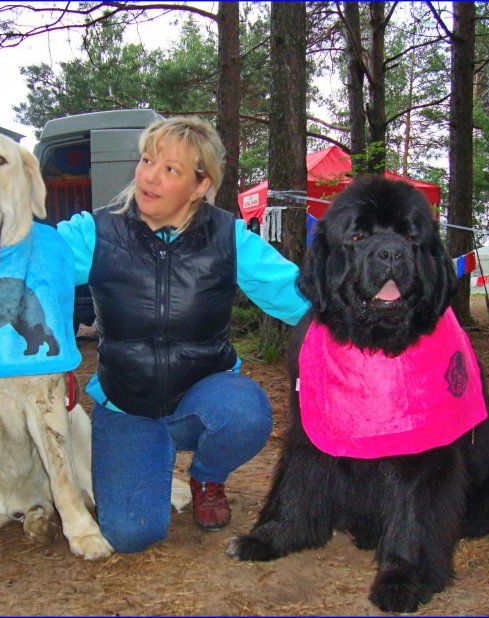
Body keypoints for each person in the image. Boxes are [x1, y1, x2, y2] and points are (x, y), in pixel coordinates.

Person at [58, 116, 310, 554]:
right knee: (132, 535)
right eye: (147, 160)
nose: (149, 176)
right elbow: (36, 270)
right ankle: (144, 455)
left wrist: (368, 319)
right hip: (126, 405)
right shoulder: (96, 233)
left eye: (170, 169)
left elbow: (294, 293)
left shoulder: (227, 236)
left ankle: (207, 475)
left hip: (203, 399)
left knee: (246, 412)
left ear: (199, 186)